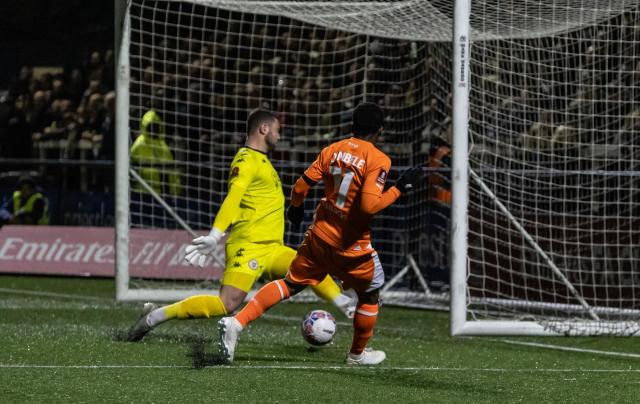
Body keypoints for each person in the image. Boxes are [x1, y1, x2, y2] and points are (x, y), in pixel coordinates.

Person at [217, 102, 423, 365]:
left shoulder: (332, 149)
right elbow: (369, 206)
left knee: (291, 283)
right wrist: (399, 189)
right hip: (351, 247)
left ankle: (237, 322)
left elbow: (301, 186)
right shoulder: (378, 159)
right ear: (379, 131)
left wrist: (295, 209)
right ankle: (357, 355)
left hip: (319, 236)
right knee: (371, 293)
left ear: (352, 125)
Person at [125, 109, 354, 342]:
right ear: (264, 129)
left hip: (273, 249)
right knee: (226, 304)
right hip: (248, 246)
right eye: (277, 130)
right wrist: (215, 235)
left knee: (311, 267)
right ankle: (154, 317)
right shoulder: (245, 160)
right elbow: (233, 198)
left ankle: (346, 304)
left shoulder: (263, 161)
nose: (279, 135)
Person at [129, 109, 180, 227]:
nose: (154, 129)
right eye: (151, 126)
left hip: (162, 194)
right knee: (141, 226)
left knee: (162, 225)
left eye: (156, 126)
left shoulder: (163, 146)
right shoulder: (139, 144)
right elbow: (133, 168)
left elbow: (172, 172)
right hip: (142, 193)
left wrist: (175, 191)